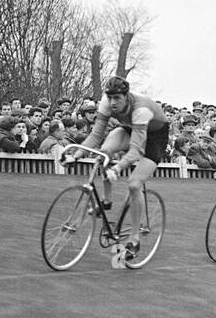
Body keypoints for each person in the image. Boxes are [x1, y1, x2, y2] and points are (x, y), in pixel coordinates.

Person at [66, 76, 168, 261]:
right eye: (110, 98)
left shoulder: (141, 110)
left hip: (155, 137)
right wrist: (76, 155)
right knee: (104, 152)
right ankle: (106, 201)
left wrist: (117, 168)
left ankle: (134, 239)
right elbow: (96, 135)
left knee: (134, 185)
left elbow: (136, 151)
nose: (112, 103)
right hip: (131, 129)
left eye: (117, 99)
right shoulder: (105, 104)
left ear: (126, 96)